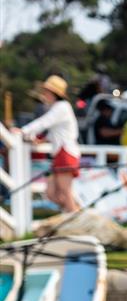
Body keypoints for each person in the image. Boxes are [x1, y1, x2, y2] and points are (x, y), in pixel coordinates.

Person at [15, 75, 81, 212]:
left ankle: (75, 219)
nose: (44, 94)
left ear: (54, 93)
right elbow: (55, 132)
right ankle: (77, 216)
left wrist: (23, 131)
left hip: (66, 153)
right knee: (51, 193)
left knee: (65, 192)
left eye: (47, 91)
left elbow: (45, 122)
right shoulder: (59, 107)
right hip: (61, 153)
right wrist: (43, 140)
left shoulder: (62, 107)